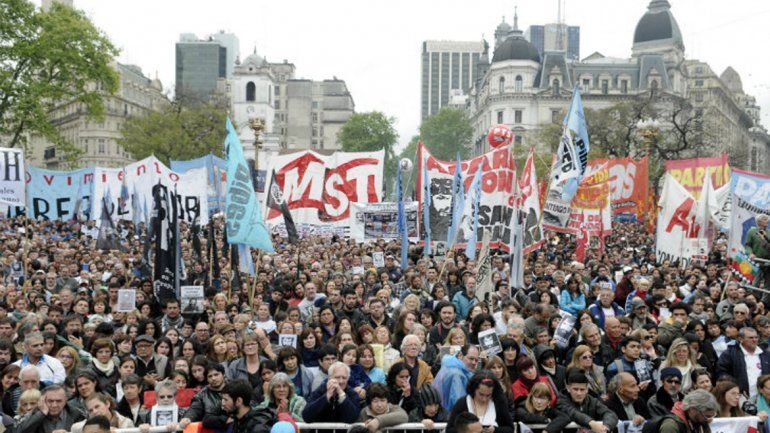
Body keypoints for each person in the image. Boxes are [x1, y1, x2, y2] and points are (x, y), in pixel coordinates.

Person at [445, 371, 515, 433]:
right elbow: (449, 429)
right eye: (481, 394)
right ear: (474, 389)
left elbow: (510, 428)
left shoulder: (499, 403)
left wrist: (495, 430)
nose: (484, 399)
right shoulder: (462, 403)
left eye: (488, 395)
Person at [716, 326, 770, 399]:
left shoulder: (765, 354)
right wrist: (735, 386)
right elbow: (721, 373)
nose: (754, 340)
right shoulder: (729, 354)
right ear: (741, 339)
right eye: (750, 338)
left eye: (756, 337)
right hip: (740, 398)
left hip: (764, 398)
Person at [556, 369, 618, 433]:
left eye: (582, 389)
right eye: (575, 389)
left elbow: (610, 413)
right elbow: (573, 413)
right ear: (568, 388)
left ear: (587, 390)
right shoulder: (561, 400)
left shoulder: (592, 400)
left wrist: (605, 428)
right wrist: (591, 423)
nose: (579, 393)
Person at [16, 384, 85, 433]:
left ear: (65, 400)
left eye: (59, 401)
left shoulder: (76, 415)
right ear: (42, 400)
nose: (54, 405)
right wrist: (41, 414)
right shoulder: (33, 415)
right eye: (50, 401)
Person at [179, 362, 228, 431]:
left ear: (223, 374)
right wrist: (187, 418)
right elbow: (194, 409)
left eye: (216, 374)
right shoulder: (201, 394)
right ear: (207, 379)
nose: (213, 378)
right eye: (210, 376)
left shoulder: (235, 388)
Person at [433, 344, 479, 410]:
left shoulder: (449, 366)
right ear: (460, 355)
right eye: (471, 358)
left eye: (476, 360)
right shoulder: (457, 375)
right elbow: (458, 404)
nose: (474, 362)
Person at [70, 393, 135, 433]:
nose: (94, 412)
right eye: (90, 410)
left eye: (97, 407)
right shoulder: (81, 426)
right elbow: (74, 428)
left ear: (107, 404)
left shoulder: (126, 423)